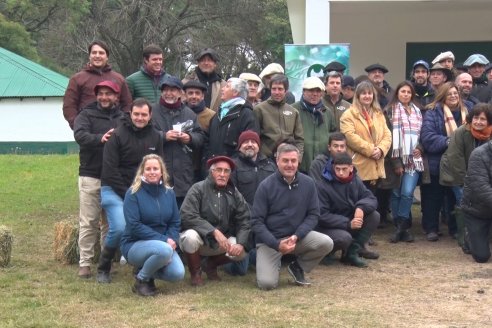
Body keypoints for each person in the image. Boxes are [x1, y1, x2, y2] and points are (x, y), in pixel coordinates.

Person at [97, 98, 164, 283]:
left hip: (144, 191)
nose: (140, 118)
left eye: (144, 114)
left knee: (150, 223)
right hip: (114, 189)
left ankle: (141, 265)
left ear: (150, 116)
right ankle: (104, 267)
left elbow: (157, 166)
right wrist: (130, 195)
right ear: (130, 114)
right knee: (119, 227)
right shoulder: (117, 135)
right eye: (136, 114)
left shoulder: (157, 136)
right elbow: (109, 170)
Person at [252, 143, 333, 289]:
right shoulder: (265, 186)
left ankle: (298, 267)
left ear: (298, 162)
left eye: (293, 161)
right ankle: (271, 265)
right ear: (277, 161)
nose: (290, 165)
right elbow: (257, 222)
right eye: (285, 161)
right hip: (271, 241)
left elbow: (314, 214)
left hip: (297, 238)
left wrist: (297, 236)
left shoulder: (308, 183)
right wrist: (276, 244)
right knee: (267, 284)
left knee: (326, 242)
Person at [73, 81, 124, 279]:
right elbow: (80, 135)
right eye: (101, 93)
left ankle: (106, 259)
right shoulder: (85, 114)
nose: (104, 97)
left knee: (109, 223)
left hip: (112, 178)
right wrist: (100, 139)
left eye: (108, 94)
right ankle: (84, 263)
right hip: (90, 174)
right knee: (88, 221)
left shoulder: (122, 118)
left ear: (116, 96)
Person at [180, 156, 251, 286]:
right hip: (200, 241)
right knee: (189, 237)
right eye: (219, 170)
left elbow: (245, 219)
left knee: (243, 249)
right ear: (211, 171)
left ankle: (210, 265)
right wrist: (213, 231)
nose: (222, 174)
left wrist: (240, 243)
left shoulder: (234, 193)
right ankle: (195, 273)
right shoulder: (198, 188)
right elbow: (187, 215)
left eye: (226, 171)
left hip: (221, 244)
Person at [120, 154, 185, 296]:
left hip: (164, 244)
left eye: (156, 168)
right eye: (148, 169)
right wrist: (164, 242)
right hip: (134, 244)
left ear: (162, 172)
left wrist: (172, 240)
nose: (152, 172)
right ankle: (141, 280)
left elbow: (175, 221)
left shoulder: (169, 193)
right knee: (164, 251)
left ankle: (145, 269)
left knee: (178, 273)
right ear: (142, 171)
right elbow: (134, 225)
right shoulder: (133, 193)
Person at [420, 82, 470, 241]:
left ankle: (456, 229)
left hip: (459, 165)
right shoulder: (432, 112)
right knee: (432, 198)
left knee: (455, 199)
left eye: (456, 93)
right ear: (442, 96)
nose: (454, 96)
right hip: (437, 163)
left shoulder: (467, 112)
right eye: (449, 94)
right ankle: (431, 229)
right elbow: (427, 138)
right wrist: (451, 141)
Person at [439, 103, 492, 250]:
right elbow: (455, 158)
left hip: (481, 175)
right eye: (476, 118)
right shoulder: (460, 132)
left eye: (483, 119)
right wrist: (467, 182)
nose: (478, 122)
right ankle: (464, 236)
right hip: (456, 172)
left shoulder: (490, 134)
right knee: (463, 199)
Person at [315, 152, 380, 267]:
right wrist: (348, 223)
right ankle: (326, 253)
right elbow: (322, 215)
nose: (340, 172)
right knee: (344, 238)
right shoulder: (322, 185)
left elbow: (370, 198)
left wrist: (360, 208)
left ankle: (351, 253)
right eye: (337, 169)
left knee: (374, 216)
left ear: (351, 168)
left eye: (344, 169)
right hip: (327, 227)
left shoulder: (355, 180)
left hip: (350, 222)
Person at [151, 76, 204, 208]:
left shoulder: (189, 113)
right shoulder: (152, 112)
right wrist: (163, 136)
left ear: (180, 93)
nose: (169, 93)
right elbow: (143, 136)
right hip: (157, 173)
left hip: (183, 176)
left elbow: (201, 137)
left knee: (181, 217)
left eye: (173, 90)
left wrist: (189, 138)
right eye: (166, 90)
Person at [63, 40, 131, 130]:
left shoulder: (119, 78)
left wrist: (123, 126)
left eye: (101, 53)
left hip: (115, 132)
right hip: (88, 132)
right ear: (89, 56)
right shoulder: (77, 79)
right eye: (94, 53)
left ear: (107, 57)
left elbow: (127, 104)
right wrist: (78, 126)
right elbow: (69, 106)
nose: (97, 56)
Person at [386, 81, 424, 243]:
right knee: (395, 193)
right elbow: (387, 138)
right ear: (397, 93)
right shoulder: (389, 111)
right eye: (403, 91)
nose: (406, 94)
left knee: (407, 193)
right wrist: (396, 163)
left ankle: (401, 227)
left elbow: (423, 135)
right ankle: (402, 228)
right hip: (395, 158)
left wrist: (420, 148)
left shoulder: (418, 111)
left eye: (409, 92)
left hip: (413, 160)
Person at [340, 81, 392, 191]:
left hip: (377, 166)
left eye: (370, 93)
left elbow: (387, 134)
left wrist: (381, 149)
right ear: (358, 96)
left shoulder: (378, 113)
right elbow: (349, 136)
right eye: (364, 93)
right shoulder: (349, 114)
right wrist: (371, 150)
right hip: (359, 166)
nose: (367, 96)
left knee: (374, 203)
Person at [205, 77, 258, 160]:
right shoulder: (217, 114)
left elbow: (249, 145)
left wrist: (233, 165)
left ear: (235, 92)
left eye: (227, 86)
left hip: (234, 168)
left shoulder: (247, 114)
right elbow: (207, 142)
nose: (222, 89)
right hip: (214, 167)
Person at [254, 74, 304, 159]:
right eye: (274, 89)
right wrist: (260, 158)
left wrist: (298, 159)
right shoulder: (259, 109)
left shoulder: (293, 112)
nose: (277, 92)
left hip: (288, 160)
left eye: (280, 89)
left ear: (286, 90)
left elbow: (299, 139)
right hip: (266, 161)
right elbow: (255, 137)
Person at [292, 76, 336, 173]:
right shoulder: (294, 110)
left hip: (322, 167)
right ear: (303, 91)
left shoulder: (327, 112)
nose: (315, 94)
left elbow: (333, 135)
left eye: (318, 91)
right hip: (300, 166)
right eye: (311, 91)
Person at [461, 140, 492, 263]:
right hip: (477, 210)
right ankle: (469, 236)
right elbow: (482, 189)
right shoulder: (478, 154)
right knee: (481, 256)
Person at [231, 130, 276, 206]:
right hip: (243, 215)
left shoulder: (271, 166)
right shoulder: (233, 166)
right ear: (239, 147)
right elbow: (232, 195)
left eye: (253, 142)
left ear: (258, 146)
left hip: (268, 214)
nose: (250, 145)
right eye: (246, 142)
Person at [182, 80, 216, 181]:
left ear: (202, 96)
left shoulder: (212, 116)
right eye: (190, 93)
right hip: (182, 166)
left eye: (197, 93)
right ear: (185, 95)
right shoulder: (179, 113)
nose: (194, 96)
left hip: (202, 166)